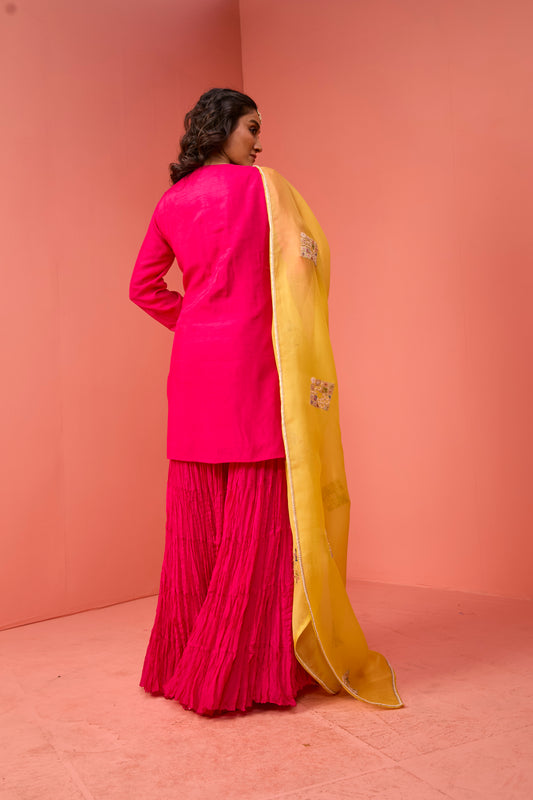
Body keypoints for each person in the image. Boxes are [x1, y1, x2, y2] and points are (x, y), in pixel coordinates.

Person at [130, 88, 402, 715]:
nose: (259, 141)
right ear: (223, 126)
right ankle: (241, 668)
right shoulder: (267, 189)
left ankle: (181, 660)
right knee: (259, 513)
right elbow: (309, 265)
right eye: (251, 127)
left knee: (198, 513)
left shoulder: (171, 200)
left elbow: (143, 287)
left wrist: (191, 318)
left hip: (195, 368)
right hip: (257, 363)